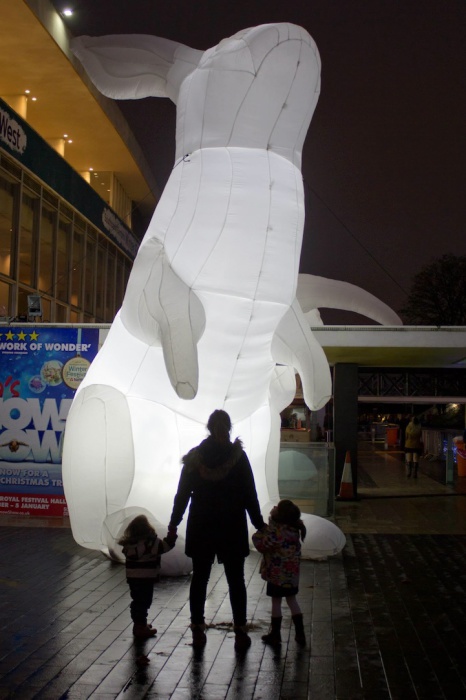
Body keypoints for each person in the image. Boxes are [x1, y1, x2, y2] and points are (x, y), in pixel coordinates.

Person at [167, 409, 265, 651]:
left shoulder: (194, 459)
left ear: (208, 428)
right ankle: (240, 630)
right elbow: (249, 495)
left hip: (202, 524)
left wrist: (173, 524)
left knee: (200, 578)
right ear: (228, 428)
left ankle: (198, 628)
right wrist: (260, 525)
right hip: (231, 524)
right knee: (236, 580)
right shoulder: (238, 458)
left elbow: (182, 496)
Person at [252, 499, 307, 647]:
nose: (274, 507)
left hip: (277, 575)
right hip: (292, 575)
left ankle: (275, 634)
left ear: (280, 515)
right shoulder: (294, 530)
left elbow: (262, 545)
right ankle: (300, 633)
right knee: (292, 600)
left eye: (277, 507)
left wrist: (257, 534)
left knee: (276, 601)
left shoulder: (276, 532)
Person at [118, 514, 177, 638]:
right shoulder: (152, 544)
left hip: (133, 578)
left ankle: (138, 625)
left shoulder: (128, 546)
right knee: (145, 602)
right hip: (146, 578)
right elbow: (166, 546)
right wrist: (171, 536)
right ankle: (141, 627)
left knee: (137, 601)